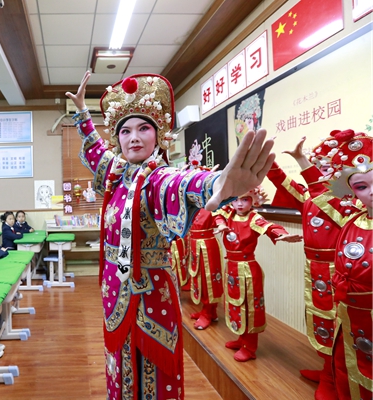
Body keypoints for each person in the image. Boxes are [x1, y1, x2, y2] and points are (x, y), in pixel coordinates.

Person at [66, 71, 275, 399]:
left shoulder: (158, 176)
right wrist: (81, 113)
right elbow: (94, 149)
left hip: (150, 295)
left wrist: (216, 183)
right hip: (113, 292)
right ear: (118, 139)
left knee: (153, 372)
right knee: (118, 364)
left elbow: (183, 182)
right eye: (125, 130)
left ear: (157, 134)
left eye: (144, 128)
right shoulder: (117, 172)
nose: (134, 137)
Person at [266, 131, 361, 400]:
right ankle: (326, 369)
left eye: (325, 165)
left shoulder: (349, 203)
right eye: (318, 164)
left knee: (337, 324)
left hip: (338, 272)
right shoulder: (313, 196)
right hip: (314, 269)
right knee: (320, 321)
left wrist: (301, 160)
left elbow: (323, 196)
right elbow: (284, 184)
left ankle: (333, 379)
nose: (320, 170)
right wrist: (267, 162)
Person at [311, 133, 372, 400]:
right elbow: (318, 196)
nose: (371, 192)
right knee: (346, 368)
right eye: (361, 186)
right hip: (346, 316)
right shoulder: (351, 220)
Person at [214, 186, 303, 362]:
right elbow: (216, 214)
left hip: (247, 270)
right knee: (235, 305)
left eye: (245, 199)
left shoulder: (254, 218)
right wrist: (221, 224)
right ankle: (241, 338)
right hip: (231, 267)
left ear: (254, 201)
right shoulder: (229, 214)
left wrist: (282, 234)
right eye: (236, 199)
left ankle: (250, 347)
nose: (239, 203)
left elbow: (269, 227)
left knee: (249, 308)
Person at [187, 207, 224, 330]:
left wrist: (220, 224)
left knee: (209, 279)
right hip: (195, 244)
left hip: (206, 245)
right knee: (199, 277)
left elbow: (219, 216)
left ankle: (208, 312)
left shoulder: (214, 203)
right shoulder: (194, 205)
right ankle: (209, 310)